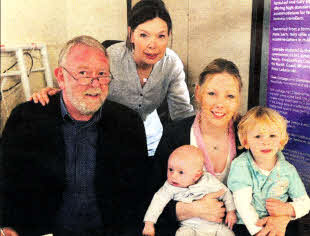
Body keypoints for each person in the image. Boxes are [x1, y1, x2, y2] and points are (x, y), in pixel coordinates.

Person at [0, 35, 149, 236]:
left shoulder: (128, 123)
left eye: (102, 74)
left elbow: (138, 194)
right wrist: (7, 225)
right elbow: (5, 181)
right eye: (83, 73)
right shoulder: (26, 119)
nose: (95, 83)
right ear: (61, 77)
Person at [30, 0, 194, 157]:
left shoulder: (172, 63)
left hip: (150, 138)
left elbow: (182, 113)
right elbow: (81, 87)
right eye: (144, 35)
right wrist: (54, 95)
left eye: (161, 36)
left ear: (169, 36)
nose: (153, 45)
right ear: (131, 35)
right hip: (107, 134)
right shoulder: (109, 58)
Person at [153, 58, 293, 236]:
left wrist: (282, 216)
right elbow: (150, 195)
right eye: (212, 93)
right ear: (198, 92)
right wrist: (192, 209)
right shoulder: (175, 134)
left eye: (230, 96)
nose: (220, 104)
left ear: (238, 98)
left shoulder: (251, 134)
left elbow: (282, 181)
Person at [227, 106, 310, 236]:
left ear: (281, 140)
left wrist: (289, 208)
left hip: (279, 221)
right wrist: (259, 232)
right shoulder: (241, 165)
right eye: (258, 136)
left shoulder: (288, 170)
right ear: (245, 141)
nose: (266, 142)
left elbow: (305, 202)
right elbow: (243, 204)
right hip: (247, 225)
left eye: (272, 135)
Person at [143, 145, 236, 236]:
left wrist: (231, 211)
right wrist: (149, 223)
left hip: (216, 226)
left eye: (181, 172)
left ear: (197, 175)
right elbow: (157, 201)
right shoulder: (169, 186)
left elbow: (225, 192)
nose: (173, 176)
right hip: (189, 227)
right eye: (170, 169)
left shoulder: (208, 180)